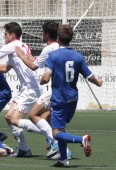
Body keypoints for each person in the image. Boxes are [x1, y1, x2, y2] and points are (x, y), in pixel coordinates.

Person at [40, 24, 103, 167]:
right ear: (71, 38)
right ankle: (63, 159)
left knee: (56, 133)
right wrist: (98, 83)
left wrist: (42, 80)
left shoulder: (53, 56)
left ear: (57, 38)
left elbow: (45, 78)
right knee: (61, 128)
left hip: (59, 99)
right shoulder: (78, 56)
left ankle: (82, 139)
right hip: (73, 99)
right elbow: (90, 76)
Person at [0, 22, 42, 157]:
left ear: (12, 35)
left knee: (13, 118)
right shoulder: (23, 45)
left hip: (30, 89)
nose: (4, 37)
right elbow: (5, 68)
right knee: (9, 118)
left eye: (6, 34)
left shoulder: (12, 45)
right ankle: (24, 149)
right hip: (27, 89)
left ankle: (51, 134)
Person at [15, 21, 72, 160]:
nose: (41, 34)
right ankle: (62, 150)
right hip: (67, 91)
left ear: (46, 34)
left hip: (56, 91)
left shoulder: (48, 49)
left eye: (42, 32)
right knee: (50, 120)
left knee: (33, 115)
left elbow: (34, 66)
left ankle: (56, 143)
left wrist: (21, 56)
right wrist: (29, 58)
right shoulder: (59, 46)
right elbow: (37, 61)